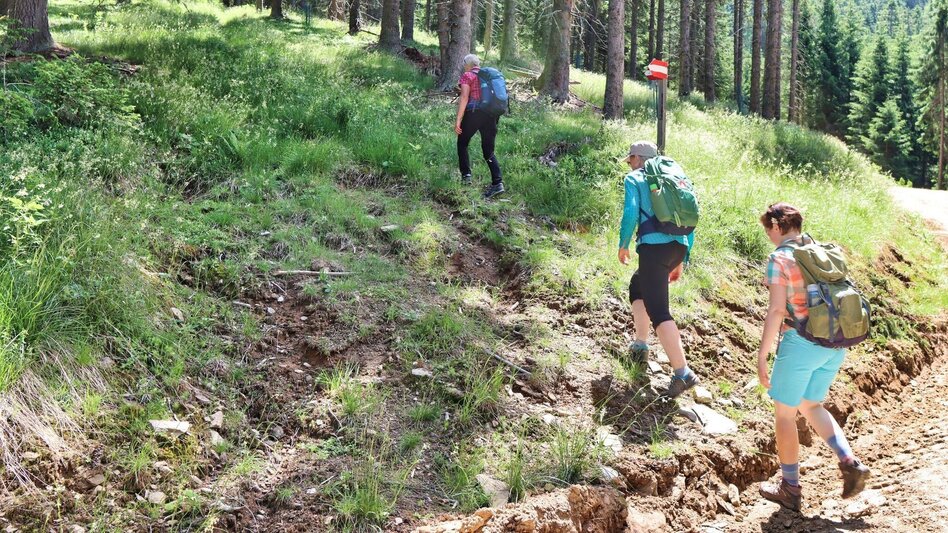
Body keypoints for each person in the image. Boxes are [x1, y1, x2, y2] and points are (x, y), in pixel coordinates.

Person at [756, 202, 871, 512]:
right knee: (810, 404)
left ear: (777, 227)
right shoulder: (819, 251)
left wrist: (762, 355)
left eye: (768, 230)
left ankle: (790, 488)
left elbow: (777, 310)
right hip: (835, 342)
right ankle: (849, 461)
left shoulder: (780, 257)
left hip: (802, 342)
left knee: (784, 415)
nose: (768, 236)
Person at [617, 141, 698, 398]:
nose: (629, 163)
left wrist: (623, 244)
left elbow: (631, 212)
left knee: (660, 311)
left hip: (653, 248)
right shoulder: (673, 179)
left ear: (638, 159)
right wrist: (682, 259)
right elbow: (690, 221)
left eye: (630, 159)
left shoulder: (635, 178)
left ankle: (682, 373)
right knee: (638, 285)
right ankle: (640, 346)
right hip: (677, 246)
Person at [455, 54, 504, 199]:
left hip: (475, 113)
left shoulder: (467, 75)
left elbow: (464, 97)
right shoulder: (488, 77)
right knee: (488, 150)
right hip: (491, 114)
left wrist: (458, 120)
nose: (464, 66)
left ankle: (466, 176)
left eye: (464, 63)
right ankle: (497, 183)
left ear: (467, 64)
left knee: (462, 143)